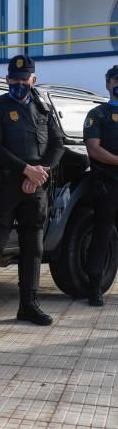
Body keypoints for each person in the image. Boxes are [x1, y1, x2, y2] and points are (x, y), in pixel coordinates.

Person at [0, 55, 65, 332]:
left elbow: (58, 144)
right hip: (6, 186)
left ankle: (28, 304)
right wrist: (26, 171)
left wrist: (40, 172)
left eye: (25, 80)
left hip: (36, 188)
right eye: (14, 80)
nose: (19, 85)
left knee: (34, 247)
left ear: (33, 79)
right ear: (7, 79)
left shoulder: (44, 108)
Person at [83, 65, 118, 307]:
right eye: (116, 80)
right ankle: (94, 287)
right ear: (108, 83)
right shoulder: (98, 114)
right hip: (107, 184)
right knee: (102, 235)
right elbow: (93, 148)